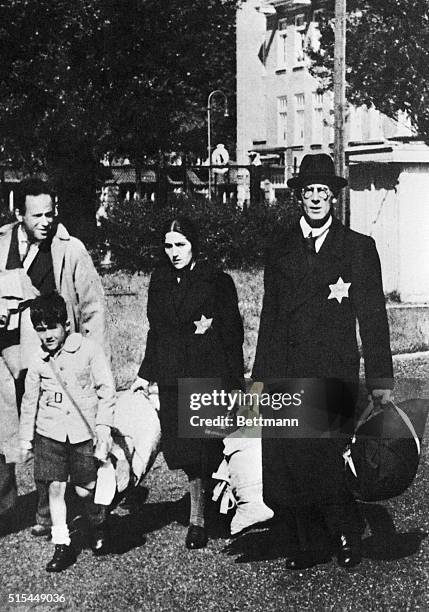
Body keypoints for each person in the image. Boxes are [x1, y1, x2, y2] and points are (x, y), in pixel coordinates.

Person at [252, 153, 394, 570]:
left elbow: (373, 319)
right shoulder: (279, 248)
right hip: (287, 370)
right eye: (309, 191)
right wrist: (261, 378)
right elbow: (269, 316)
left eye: (323, 192)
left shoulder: (357, 248)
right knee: (293, 459)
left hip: (335, 370)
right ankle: (308, 542)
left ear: (334, 198)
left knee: (331, 456)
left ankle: (347, 533)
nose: (316, 199)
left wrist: (380, 379)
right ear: (298, 197)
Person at [0, 177, 108, 537]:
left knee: (50, 435)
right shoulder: (1, 244)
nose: (45, 221)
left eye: (50, 213)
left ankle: (47, 513)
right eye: (36, 216)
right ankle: (5, 507)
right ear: (19, 214)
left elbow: (93, 309)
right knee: (6, 434)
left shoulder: (70, 249)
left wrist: (91, 362)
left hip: (51, 359)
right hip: (4, 356)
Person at [131, 216, 244, 549]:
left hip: (206, 374)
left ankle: (198, 519)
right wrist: (144, 373)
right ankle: (209, 499)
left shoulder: (217, 282)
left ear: (194, 245)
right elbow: (156, 332)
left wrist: (236, 382)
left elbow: (232, 336)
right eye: (168, 245)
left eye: (180, 244)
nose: (174, 252)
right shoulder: (160, 280)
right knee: (182, 449)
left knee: (203, 447)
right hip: (170, 375)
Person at [19, 293, 115, 572]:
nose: (46, 335)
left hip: (83, 434)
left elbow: (106, 391)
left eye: (51, 327)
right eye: (39, 328)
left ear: (66, 323)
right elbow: (30, 399)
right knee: (55, 486)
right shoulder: (38, 359)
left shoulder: (88, 350)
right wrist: (26, 438)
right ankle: (62, 544)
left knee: (86, 490)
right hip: (49, 433)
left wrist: (103, 427)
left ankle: (98, 524)